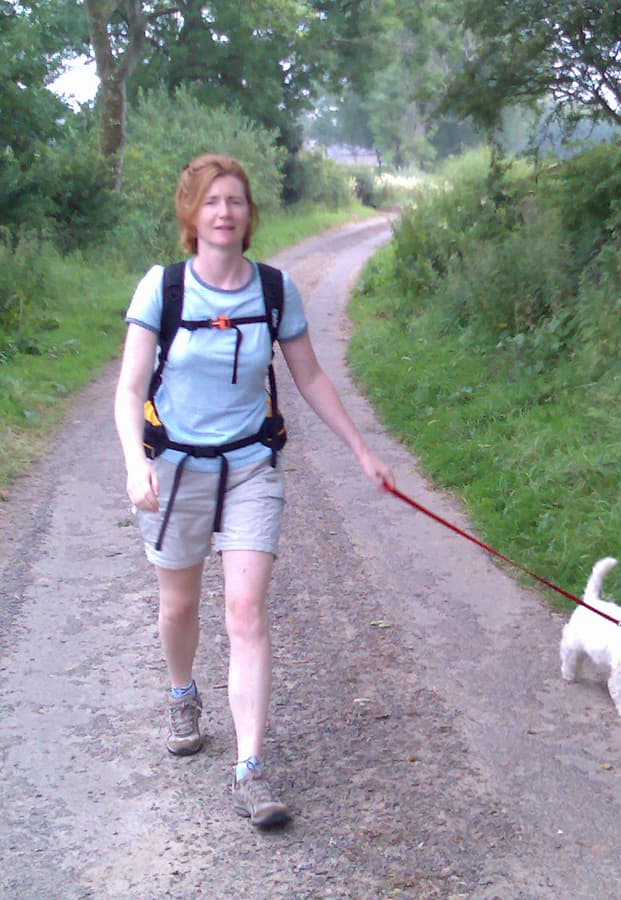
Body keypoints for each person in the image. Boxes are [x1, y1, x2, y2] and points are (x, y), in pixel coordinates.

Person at [113, 154, 394, 829]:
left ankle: (251, 768)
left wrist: (361, 450)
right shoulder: (164, 288)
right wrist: (134, 462)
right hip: (175, 468)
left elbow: (310, 377)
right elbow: (128, 388)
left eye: (236, 201)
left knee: (246, 611)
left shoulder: (274, 289)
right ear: (192, 212)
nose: (224, 212)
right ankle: (183, 694)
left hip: (249, 467)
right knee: (179, 605)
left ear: (249, 215)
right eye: (212, 201)